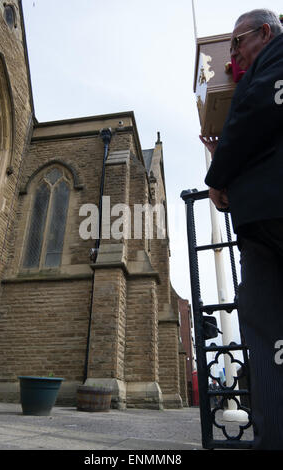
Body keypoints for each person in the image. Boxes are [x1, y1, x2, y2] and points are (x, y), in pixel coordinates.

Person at [200, 9, 283, 450]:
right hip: (257, 224)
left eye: (237, 43)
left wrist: (218, 176)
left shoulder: (278, 57)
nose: (231, 55)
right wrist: (221, 162)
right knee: (266, 335)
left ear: (264, 33)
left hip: (273, 212)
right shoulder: (253, 76)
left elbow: (256, 112)